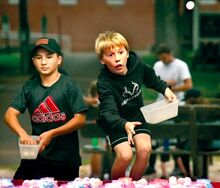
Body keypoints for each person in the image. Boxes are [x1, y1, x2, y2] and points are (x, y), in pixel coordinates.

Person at [94, 31, 176, 181]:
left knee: (145, 150)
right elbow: (108, 111)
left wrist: (165, 89)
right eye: (110, 55)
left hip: (136, 116)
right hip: (116, 121)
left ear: (127, 52)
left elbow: (151, 78)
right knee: (125, 156)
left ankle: (133, 183)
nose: (117, 58)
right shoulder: (104, 83)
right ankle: (116, 184)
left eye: (120, 52)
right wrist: (123, 124)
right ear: (102, 60)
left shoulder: (137, 65)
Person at [4, 38, 87, 181]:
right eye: (38, 58)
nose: (43, 62)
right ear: (33, 61)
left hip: (65, 160)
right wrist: (22, 134)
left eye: (49, 57)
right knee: (17, 184)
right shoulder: (29, 87)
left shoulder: (69, 86)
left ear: (59, 59)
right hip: (35, 157)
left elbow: (80, 119)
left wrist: (53, 133)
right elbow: (9, 115)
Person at [152, 43, 193, 178]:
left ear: (170, 54)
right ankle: (153, 167)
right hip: (160, 104)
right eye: (161, 58)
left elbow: (188, 85)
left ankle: (179, 167)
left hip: (176, 103)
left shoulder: (181, 65)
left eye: (165, 58)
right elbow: (152, 84)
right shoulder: (157, 66)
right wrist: (163, 85)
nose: (163, 61)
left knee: (177, 136)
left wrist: (170, 88)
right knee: (159, 136)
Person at [83, 80, 103, 178]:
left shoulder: (89, 104)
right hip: (99, 135)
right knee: (98, 148)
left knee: (97, 148)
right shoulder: (100, 104)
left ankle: (95, 173)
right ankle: (96, 173)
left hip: (97, 135)